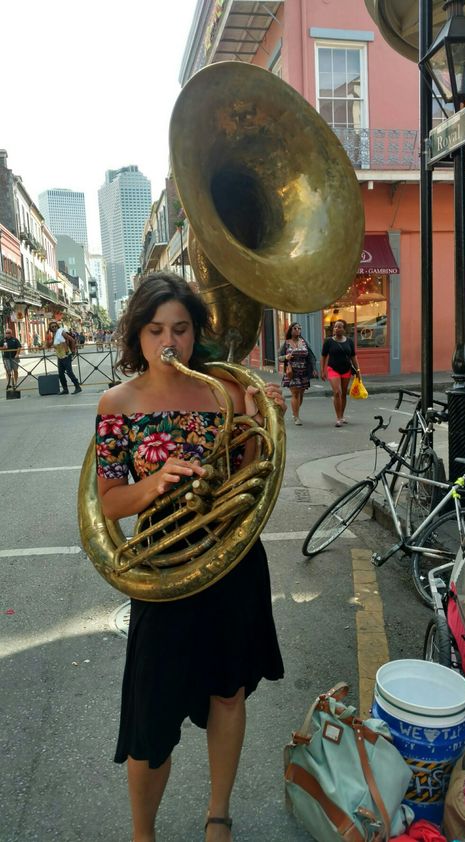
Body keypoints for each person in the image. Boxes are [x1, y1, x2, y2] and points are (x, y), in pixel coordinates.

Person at [95, 271, 286, 842]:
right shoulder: (117, 403)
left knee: (228, 691)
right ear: (138, 335)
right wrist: (152, 482)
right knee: (150, 720)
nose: (168, 343)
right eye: (155, 331)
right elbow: (109, 502)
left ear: (195, 331)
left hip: (232, 566)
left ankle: (218, 813)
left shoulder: (223, 392)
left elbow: (251, 474)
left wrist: (261, 416)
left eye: (180, 328)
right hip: (165, 570)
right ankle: (142, 833)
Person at [320, 319, 360, 427]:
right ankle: (338, 418)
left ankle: (342, 416)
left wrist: (358, 370)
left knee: (343, 393)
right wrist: (322, 370)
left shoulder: (349, 342)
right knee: (337, 392)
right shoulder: (328, 341)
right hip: (333, 369)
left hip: (346, 369)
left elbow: (353, 357)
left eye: (339, 327)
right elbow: (323, 356)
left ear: (344, 329)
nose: (336, 328)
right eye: (335, 327)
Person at [278, 322, 317, 425]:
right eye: (295, 328)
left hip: (303, 372)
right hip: (292, 372)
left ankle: (295, 411)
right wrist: (285, 357)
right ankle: (296, 417)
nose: (297, 330)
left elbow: (311, 356)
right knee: (295, 394)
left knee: (301, 394)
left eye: (299, 328)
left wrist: (314, 368)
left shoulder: (304, 342)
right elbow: (279, 357)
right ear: (291, 330)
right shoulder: (286, 343)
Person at [46, 320, 82, 394]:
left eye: (55, 326)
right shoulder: (54, 335)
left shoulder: (61, 332)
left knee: (69, 372)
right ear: (50, 328)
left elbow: (72, 340)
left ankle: (77, 387)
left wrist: (73, 350)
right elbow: (48, 345)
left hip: (66, 355)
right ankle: (65, 389)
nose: (54, 328)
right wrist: (47, 336)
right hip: (59, 357)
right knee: (61, 374)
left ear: (57, 326)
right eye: (52, 327)